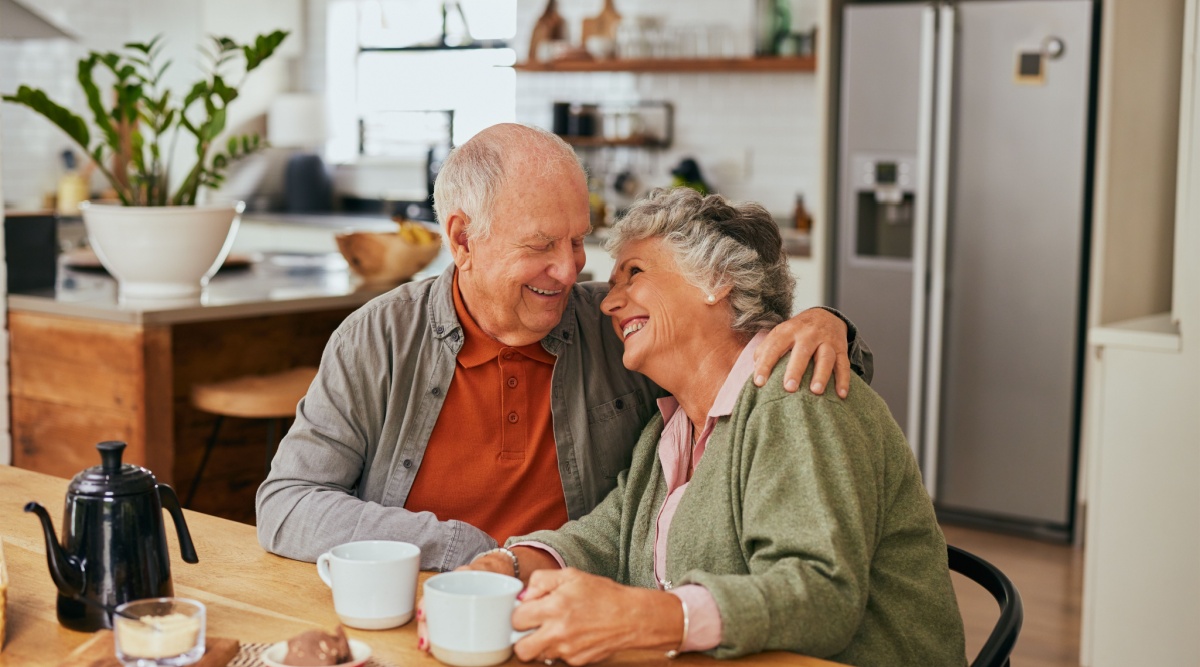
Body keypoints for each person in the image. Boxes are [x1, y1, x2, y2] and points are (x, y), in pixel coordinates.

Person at [256, 124, 873, 571]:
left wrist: (827, 322)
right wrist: (467, 551)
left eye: (578, 241)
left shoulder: (620, 326)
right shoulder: (380, 338)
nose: (568, 270)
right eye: (541, 245)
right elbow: (286, 505)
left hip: (577, 615)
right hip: (431, 602)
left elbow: (768, 364)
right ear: (463, 239)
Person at [449, 188, 966, 666]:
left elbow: (819, 595)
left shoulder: (796, 396)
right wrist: (513, 564)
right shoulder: (671, 426)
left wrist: (647, 618)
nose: (608, 301)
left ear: (717, 281)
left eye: (634, 274)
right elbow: (609, 536)